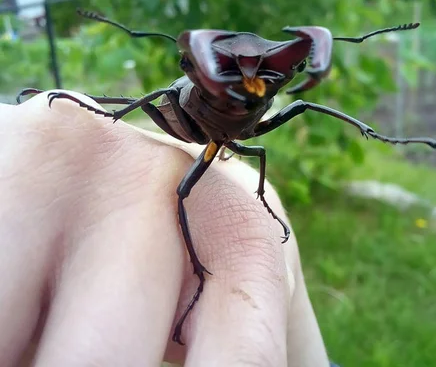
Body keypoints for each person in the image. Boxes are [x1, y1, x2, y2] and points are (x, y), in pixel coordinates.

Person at [0, 91, 339, 366]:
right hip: (186, 121)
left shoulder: (248, 124)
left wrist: (262, 204)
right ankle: (201, 272)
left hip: (210, 138)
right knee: (182, 190)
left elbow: (261, 147)